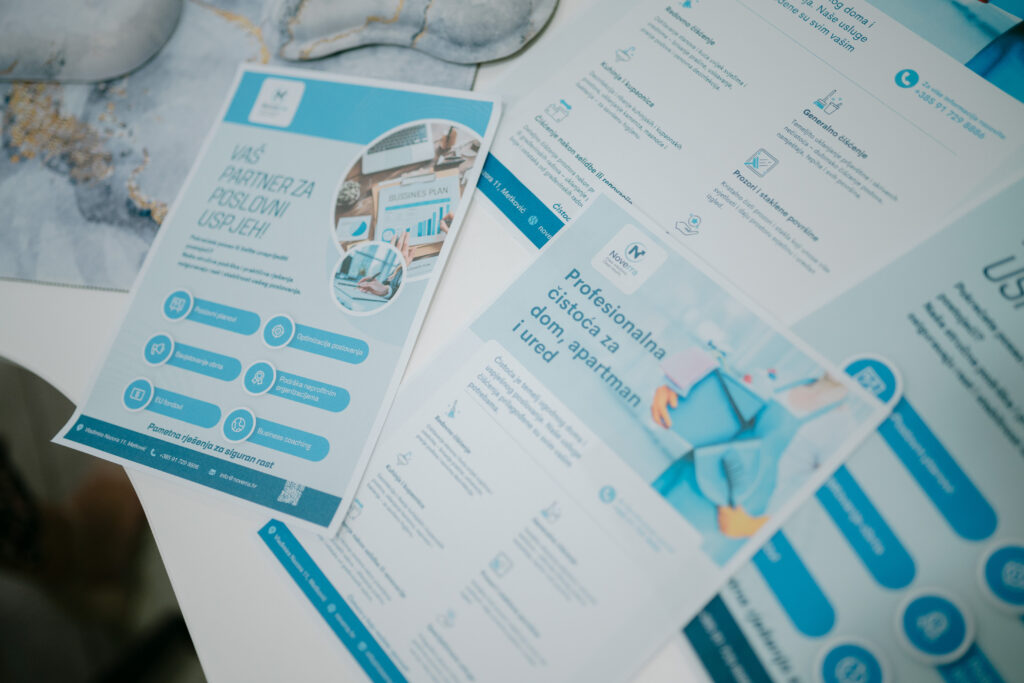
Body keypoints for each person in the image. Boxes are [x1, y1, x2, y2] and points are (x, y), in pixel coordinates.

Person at [648, 347, 847, 543]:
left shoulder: (840, 431)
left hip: (730, 514)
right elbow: (717, 377)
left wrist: (754, 527)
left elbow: (822, 518)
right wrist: (677, 386)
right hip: (691, 472)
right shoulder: (781, 377)